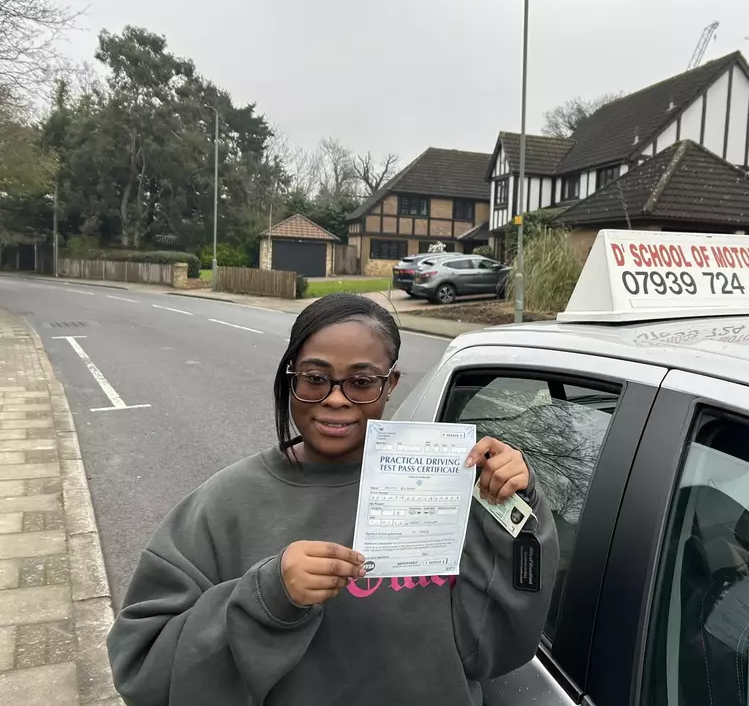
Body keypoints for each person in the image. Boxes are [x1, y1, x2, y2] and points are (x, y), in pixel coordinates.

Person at [106, 293, 558, 705]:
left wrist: (514, 505)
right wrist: (268, 596)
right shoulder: (223, 506)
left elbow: (496, 647)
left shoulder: (449, 486)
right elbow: (143, 673)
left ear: (391, 383)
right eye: (316, 378)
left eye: (361, 382)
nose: (336, 399)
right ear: (291, 377)